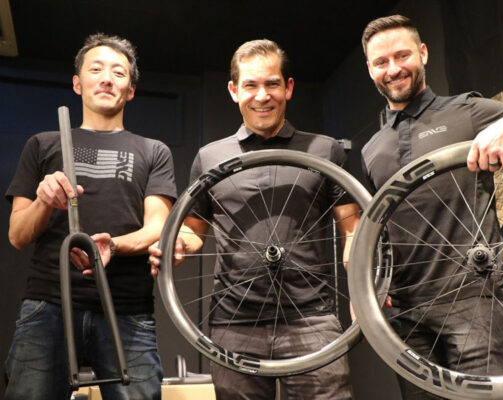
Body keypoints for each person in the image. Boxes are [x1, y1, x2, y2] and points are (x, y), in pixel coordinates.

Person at [360, 14, 503, 400]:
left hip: (474, 298)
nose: (393, 69)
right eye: (381, 62)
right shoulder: (372, 150)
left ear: (423, 54)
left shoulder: (466, 110)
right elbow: (379, 228)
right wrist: (370, 282)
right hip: (405, 316)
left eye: (402, 56)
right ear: (370, 69)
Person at [149, 39, 359, 400]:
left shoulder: (325, 150)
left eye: (272, 83)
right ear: (234, 91)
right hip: (235, 322)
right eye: (251, 85)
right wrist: (177, 244)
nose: (262, 96)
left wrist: (362, 295)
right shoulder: (210, 157)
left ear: (288, 87)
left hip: (312, 318)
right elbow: (194, 230)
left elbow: (354, 230)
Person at [4, 33, 177, 400]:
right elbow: (18, 235)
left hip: (127, 309)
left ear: (131, 90)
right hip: (48, 305)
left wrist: (113, 245)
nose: (107, 79)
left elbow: (158, 227)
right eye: (96, 69)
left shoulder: (153, 151)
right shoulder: (42, 144)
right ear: (77, 83)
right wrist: (43, 200)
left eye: (118, 72)